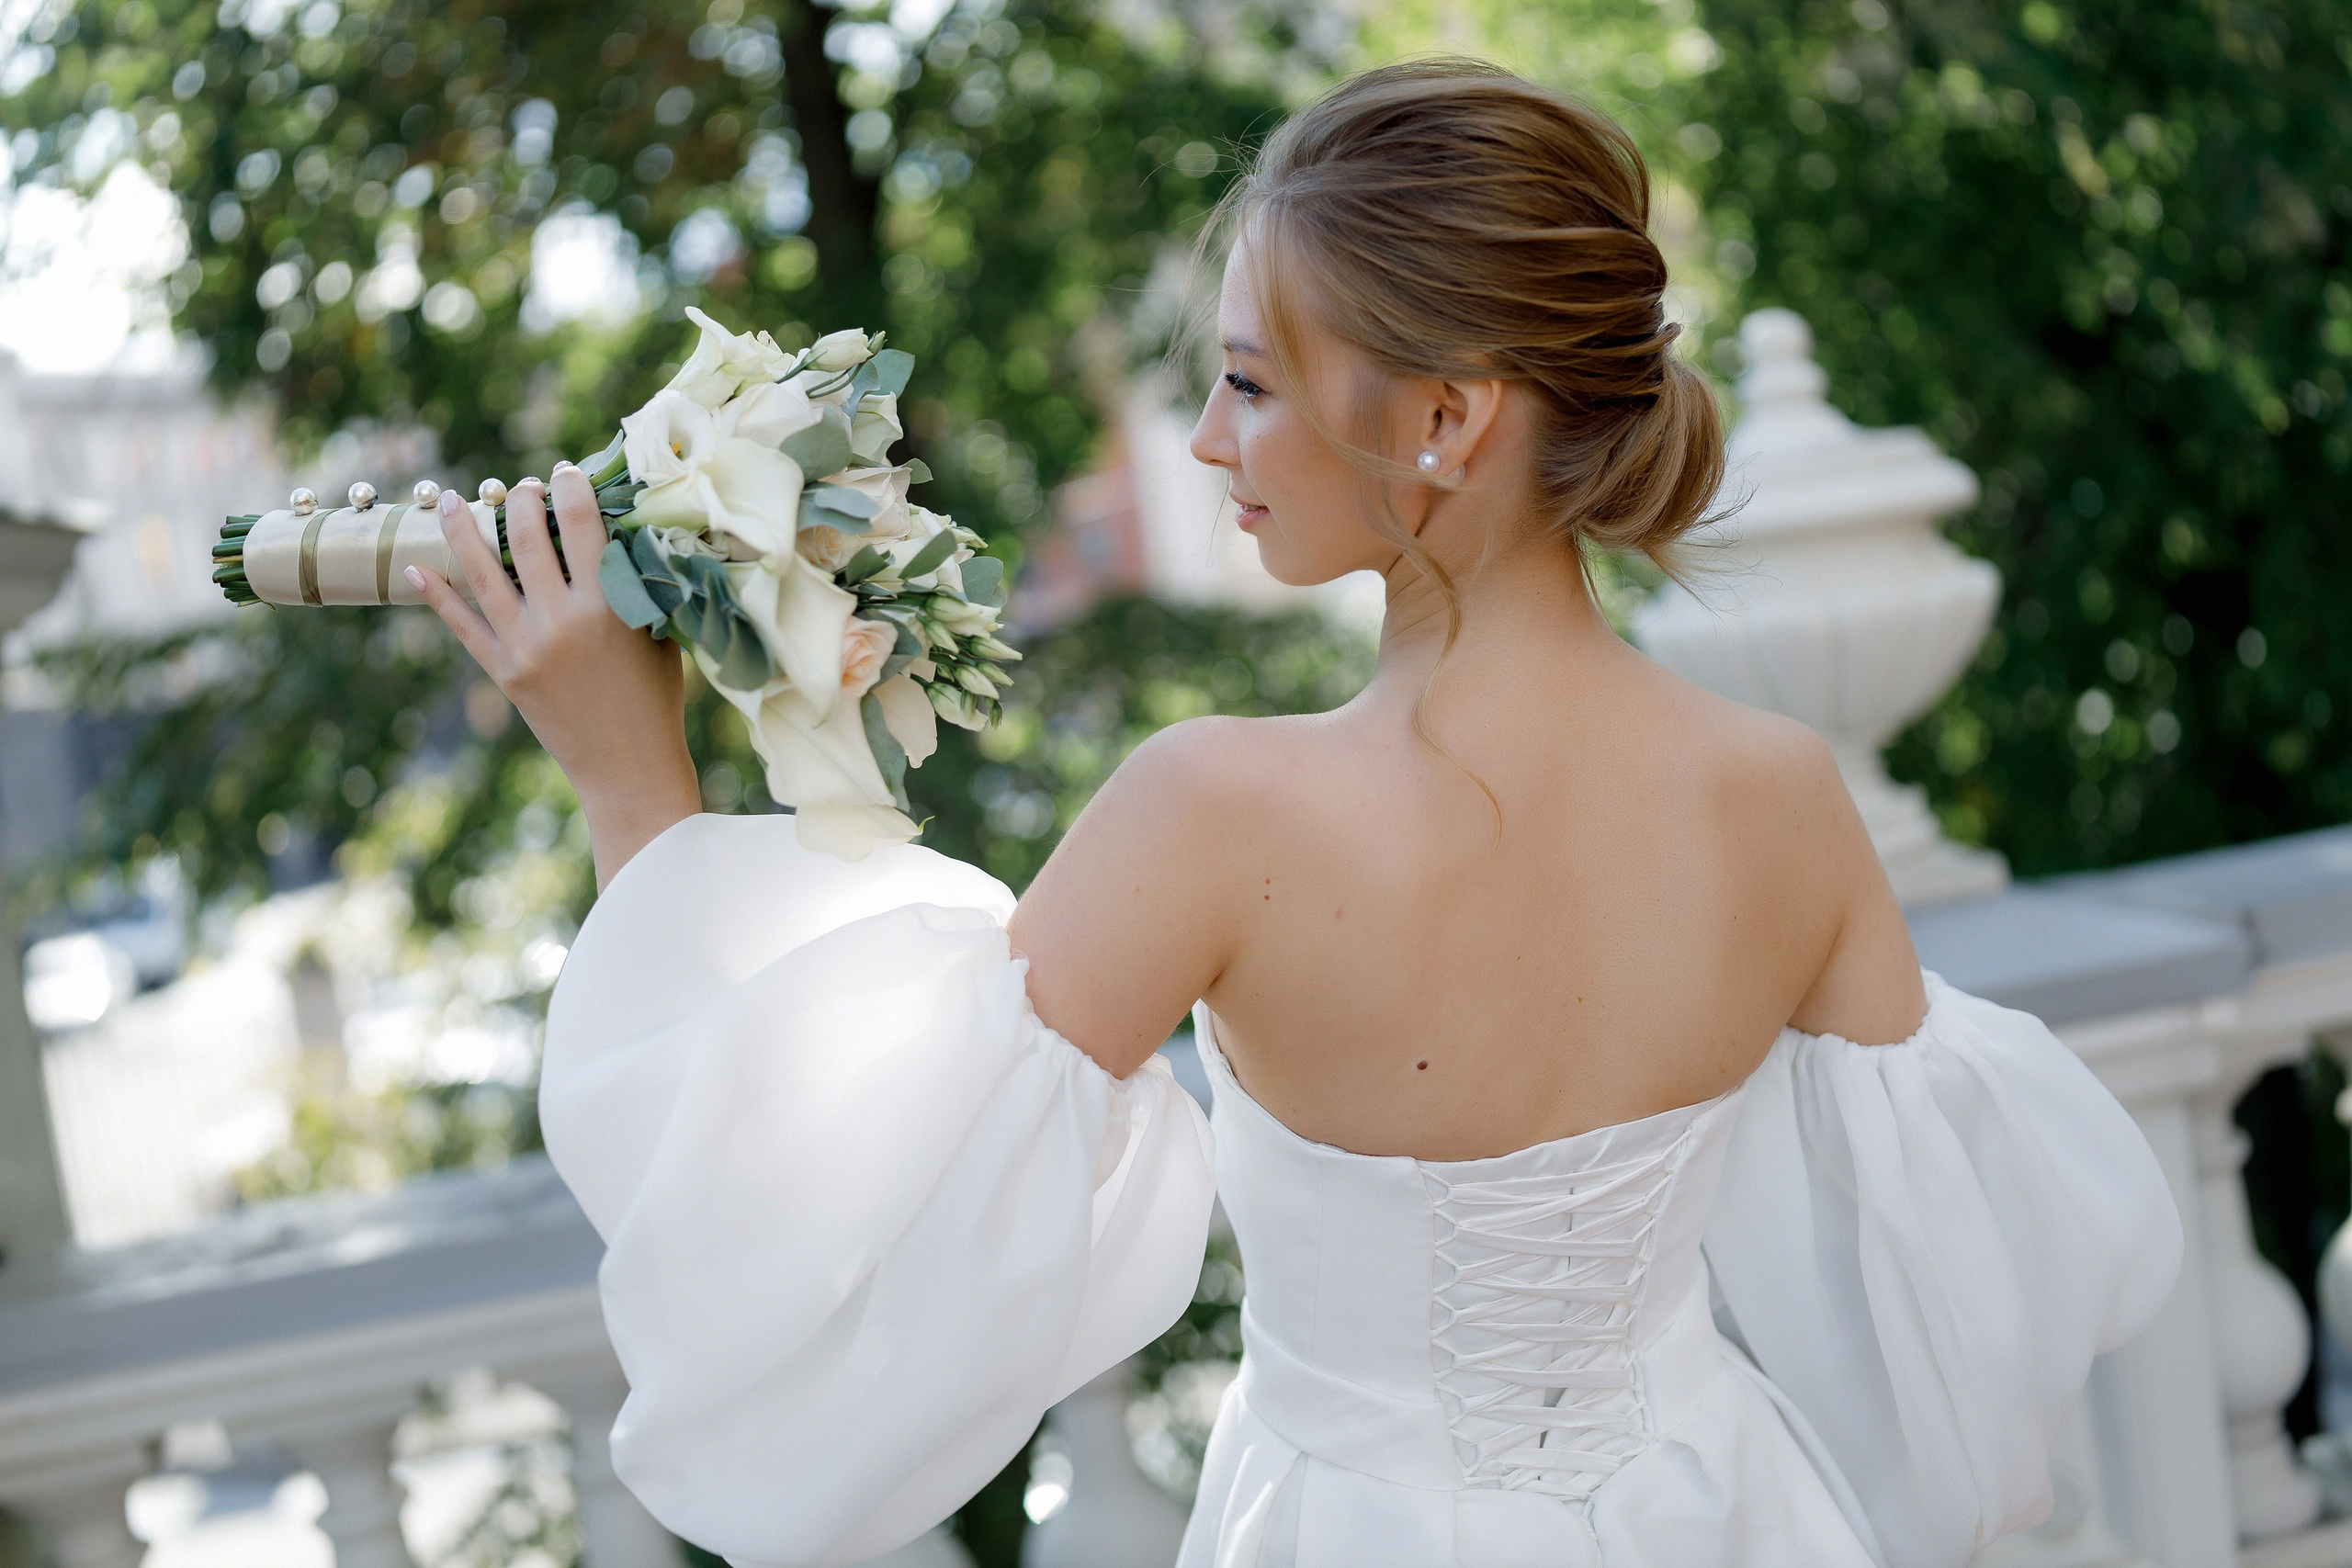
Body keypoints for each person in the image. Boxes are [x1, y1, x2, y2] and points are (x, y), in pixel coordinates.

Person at [410, 58, 2180, 1568]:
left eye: (1249, 381)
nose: (1203, 439)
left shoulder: (1216, 813)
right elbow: (1963, 1322)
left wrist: (629, 773)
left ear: (1443, 418)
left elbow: (791, 1231)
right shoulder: (1784, 797)